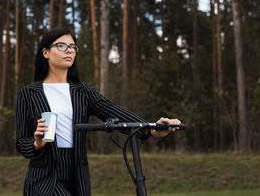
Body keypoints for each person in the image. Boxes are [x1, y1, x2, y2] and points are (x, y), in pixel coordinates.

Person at [15, 28, 182, 196]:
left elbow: (115, 111)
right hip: (44, 178)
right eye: (61, 45)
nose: (69, 50)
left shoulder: (83, 91)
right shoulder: (28, 94)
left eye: (73, 47)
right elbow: (22, 141)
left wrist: (151, 128)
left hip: (78, 175)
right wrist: (36, 144)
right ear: (45, 52)